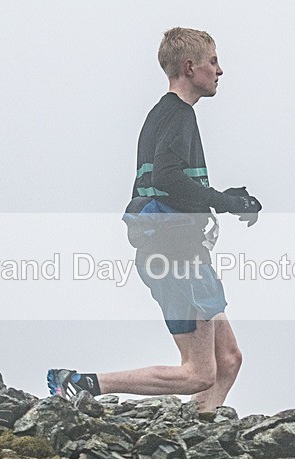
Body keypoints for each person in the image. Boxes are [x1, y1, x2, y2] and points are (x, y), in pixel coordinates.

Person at [47, 27, 261, 412]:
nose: (220, 70)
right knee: (199, 372)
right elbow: (166, 178)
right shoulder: (176, 115)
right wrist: (226, 202)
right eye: (213, 61)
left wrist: (225, 199)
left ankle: (196, 432)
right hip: (173, 253)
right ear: (190, 66)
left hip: (186, 250)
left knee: (228, 360)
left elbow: (168, 180)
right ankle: (80, 384)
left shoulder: (170, 115)